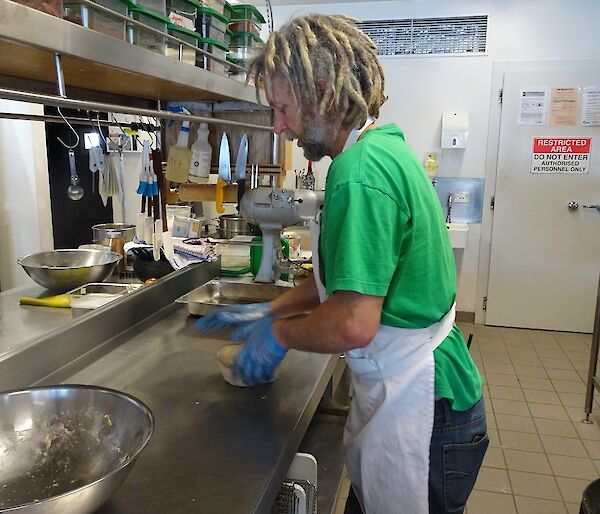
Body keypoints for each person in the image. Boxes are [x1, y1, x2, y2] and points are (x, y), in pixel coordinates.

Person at [197, 14, 487, 514]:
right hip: (425, 398)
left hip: (425, 410)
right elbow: (342, 278)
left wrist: (282, 336)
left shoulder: (359, 171)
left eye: (283, 108)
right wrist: (272, 311)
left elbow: (354, 321)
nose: (279, 126)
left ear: (323, 91)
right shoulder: (383, 148)